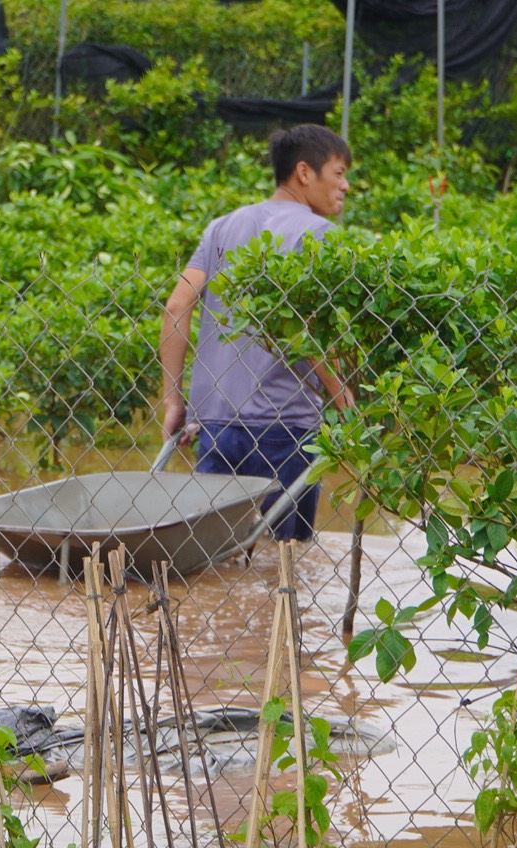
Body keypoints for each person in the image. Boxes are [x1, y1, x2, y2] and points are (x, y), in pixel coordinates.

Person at [158, 124, 352, 543]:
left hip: (214, 423)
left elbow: (176, 307)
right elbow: (314, 328)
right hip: (285, 427)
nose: (346, 186)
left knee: (215, 557)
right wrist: (343, 398)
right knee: (282, 569)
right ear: (304, 172)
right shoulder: (319, 236)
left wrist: (173, 399)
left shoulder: (221, 228)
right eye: (338, 173)